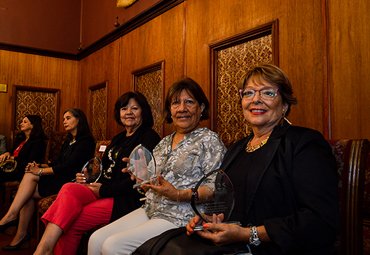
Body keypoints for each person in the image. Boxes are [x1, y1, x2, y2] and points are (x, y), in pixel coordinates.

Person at [182, 64, 340, 255]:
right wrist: (210, 221)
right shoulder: (236, 149)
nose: (256, 99)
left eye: (267, 93)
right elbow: (230, 205)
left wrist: (249, 234)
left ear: (284, 104)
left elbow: (320, 220)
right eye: (248, 93)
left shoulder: (304, 143)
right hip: (235, 248)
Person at [87, 78, 227, 255]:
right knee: (96, 239)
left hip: (181, 216)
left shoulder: (209, 140)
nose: (182, 108)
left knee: (112, 246)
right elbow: (152, 184)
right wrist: (141, 177)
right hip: (151, 209)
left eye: (189, 102)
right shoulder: (164, 142)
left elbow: (217, 188)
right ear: (170, 110)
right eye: (176, 103)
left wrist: (179, 194)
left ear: (202, 108)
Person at [33, 92, 161, 255]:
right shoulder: (118, 138)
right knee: (68, 187)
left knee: (72, 223)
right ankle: (44, 248)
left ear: (143, 112)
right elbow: (106, 171)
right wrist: (89, 178)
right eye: (124, 108)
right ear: (119, 113)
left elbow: (138, 181)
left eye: (134, 108)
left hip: (125, 198)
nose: (128, 112)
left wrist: (103, 190)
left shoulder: (149, 137)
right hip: (104, 190)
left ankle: (43, 250)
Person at [0, 108, 96, 251]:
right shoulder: (69, 140)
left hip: (71, 181)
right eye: (63, 119)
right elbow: (57, 162)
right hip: (60, 177)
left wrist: (39, 171)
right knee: (29, 190)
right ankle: (19, 233)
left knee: (30, 181)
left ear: (79, 120)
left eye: (68, 118)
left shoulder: (86, 141)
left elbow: (69, 166)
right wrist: (39, 165)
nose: (64, 121)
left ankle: (11, 219)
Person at [0, 115, 47, 183]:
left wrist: (13, 158)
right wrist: (7, 153)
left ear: (32, 126)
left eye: (25, 122)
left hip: (20, 171)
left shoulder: (38, 142)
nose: (21, 124)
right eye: (22, 122)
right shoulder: (20, 138)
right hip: (8, 166)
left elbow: (31, 163)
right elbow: (13, 152)